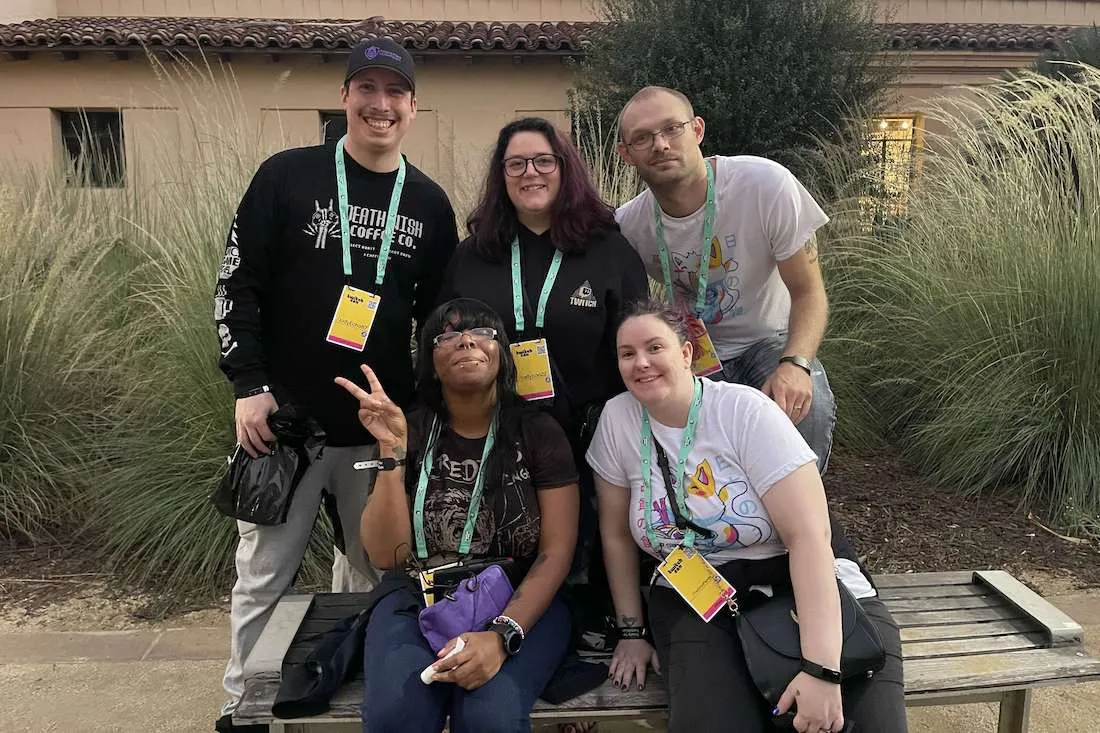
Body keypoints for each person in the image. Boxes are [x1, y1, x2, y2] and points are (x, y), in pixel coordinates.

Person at [212, 38, 458, 731]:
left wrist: (422, 417)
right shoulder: (287, 177)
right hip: (284, 423)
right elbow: (239, 283)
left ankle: (347, 689)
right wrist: (248, 383)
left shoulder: (431, 206)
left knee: (377, 573)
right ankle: (244, 705)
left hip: (377, 430)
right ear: (345, 96)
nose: (381, 105)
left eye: (395, 93)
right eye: (367, 89)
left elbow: (439, 320)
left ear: (412, 108)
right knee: (264, 572)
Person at [586, 300, 907, 733]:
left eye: (654, 347)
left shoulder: (744, 411)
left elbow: (809, 537)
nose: (641, 362)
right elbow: (616, 537)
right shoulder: (618, 419)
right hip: (696, 591)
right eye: (627, 353)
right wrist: (630, 633)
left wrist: (823, 669)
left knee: (857, 722)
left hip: (799, 578)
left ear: (686, 354)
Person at [335, 297, 579, 733]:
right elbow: (387, 556)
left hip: (519, 596)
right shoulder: (407, 428)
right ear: (430, 360)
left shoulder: (538, 432)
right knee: (398, 715)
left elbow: (556, 552)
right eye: (446, 336)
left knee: (490, 717)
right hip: (418, 594)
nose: (466, 340)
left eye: (482, 332)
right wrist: (391, 455)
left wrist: (504, 635)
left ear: (501, 353)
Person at [437, 116, 649, 590]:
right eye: (516, 164)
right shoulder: (472, 255)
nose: (530, 173)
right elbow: (443, 342)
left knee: (589, 553)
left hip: (589, 435)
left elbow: (635, 345)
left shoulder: (609, 250)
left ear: (564, 168)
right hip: (494, 434)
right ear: (501, 176)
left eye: (542, 161)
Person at [614, 86, 836, 472]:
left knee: (806, 402)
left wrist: (796, 364)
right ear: (626, 153)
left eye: (672, 129)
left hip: (768, 341)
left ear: (697, 130)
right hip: (692, 351)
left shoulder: (765, 185)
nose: (661, 145)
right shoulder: (630, 226)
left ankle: (802, 525)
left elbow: (808, 292)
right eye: (643, 138)